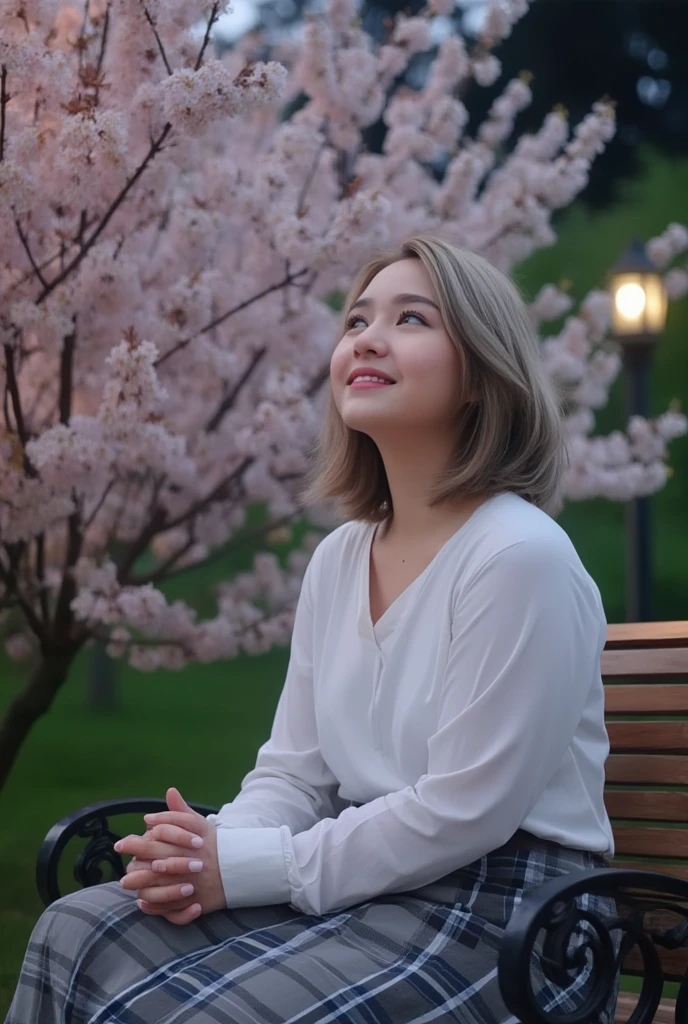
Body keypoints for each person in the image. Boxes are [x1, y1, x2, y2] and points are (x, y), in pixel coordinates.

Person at [6, 235, 617, 1024]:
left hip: (512, 920)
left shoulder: (518, 556)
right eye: (356, 319)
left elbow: (464, 813)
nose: (366, 337)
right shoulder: (339, 558)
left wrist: (258, 865)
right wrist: (207, 851)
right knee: (77, 931)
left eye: (411, 319)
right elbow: (294, 777)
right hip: (366, 880)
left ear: (481, 373)